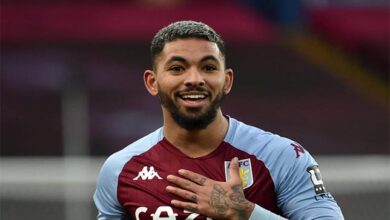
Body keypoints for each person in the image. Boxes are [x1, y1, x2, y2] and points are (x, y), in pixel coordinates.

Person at [93, 20, 344, 220]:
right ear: (152, 82)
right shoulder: (119, 170)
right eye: (177, 68)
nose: (194, 79)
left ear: (227, 81)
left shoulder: (282, 156)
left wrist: (245, 213)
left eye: (209, 68)